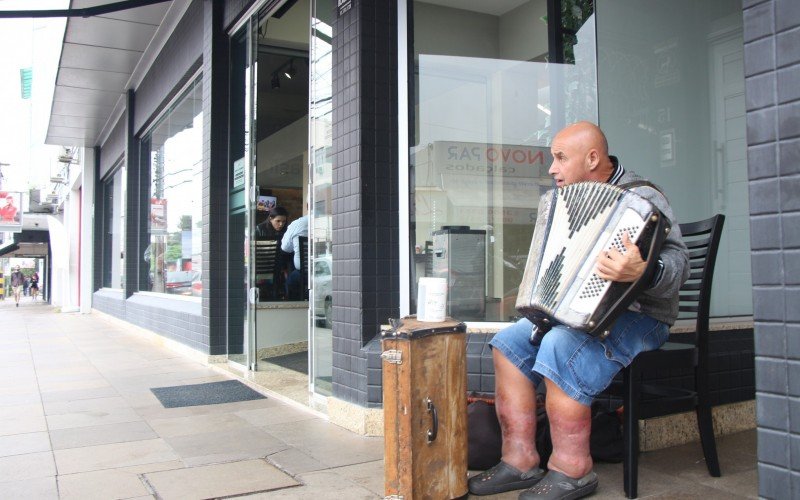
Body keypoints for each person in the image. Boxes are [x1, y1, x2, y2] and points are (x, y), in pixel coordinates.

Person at [468, 121, 689, 500]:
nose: (552, 169)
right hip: (574, 317)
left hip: (642, 317)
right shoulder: (563, 202)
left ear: (592, 158)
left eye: (559, 158)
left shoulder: (641, 197)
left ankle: (573, 470)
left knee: (559, 344)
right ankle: (519, 461)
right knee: (508, 344)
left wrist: (646, 271)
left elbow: (680, 263)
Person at [255, 206, 289, 300]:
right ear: (270, 219)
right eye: (278, 221)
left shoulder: (286, 231)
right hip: (262, 265)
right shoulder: (259, 229)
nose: (281, 224)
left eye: (284, 221)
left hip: (280, 266)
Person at [281, 210, 309, 300]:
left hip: (304, 273)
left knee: (290, 283)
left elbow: (285, 248)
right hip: (326, 270)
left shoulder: (297, 224)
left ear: (308, 207)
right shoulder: (328, 220)